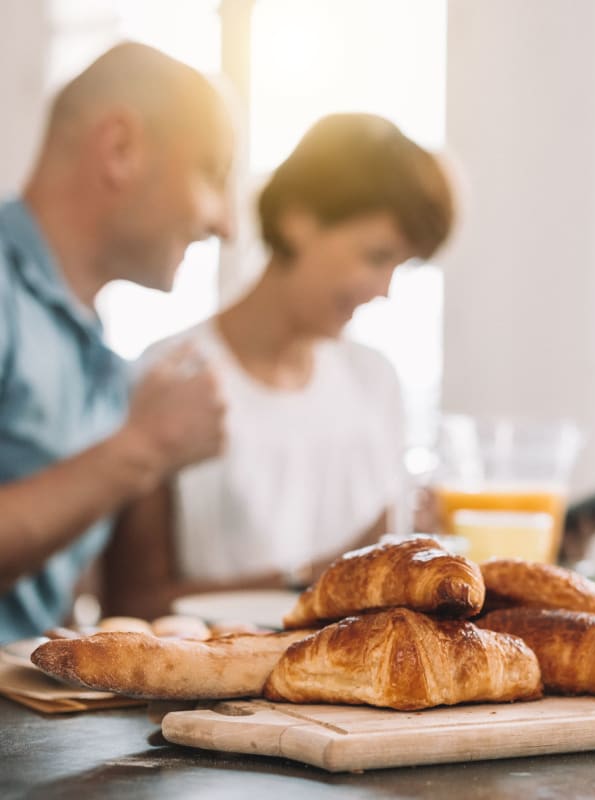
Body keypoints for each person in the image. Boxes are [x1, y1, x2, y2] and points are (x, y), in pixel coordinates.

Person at [103, 113, 455, 618]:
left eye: (400, 266)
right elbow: (133, 605)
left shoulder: (374, 380)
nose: (385, 289)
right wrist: (332, 574)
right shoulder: (171, 376)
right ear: (299, 219)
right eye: (377, 256)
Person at [0, 42, 234, 642]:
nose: (225, 224)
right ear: (120, 149)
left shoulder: (100, 355)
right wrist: (143, 448)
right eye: (212, 174)